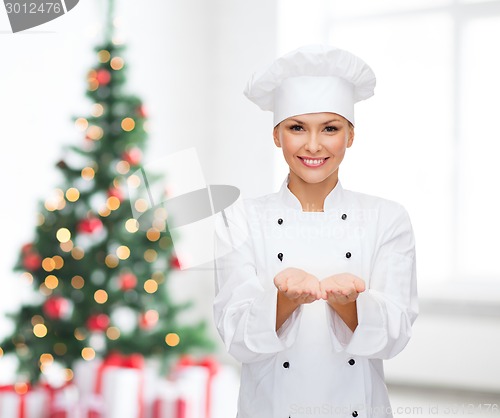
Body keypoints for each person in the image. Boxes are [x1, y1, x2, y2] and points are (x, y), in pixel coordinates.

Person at [212, 45, 418, 418]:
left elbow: (396, 334)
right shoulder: (240, 219)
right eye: (296, 128)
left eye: (330, 128)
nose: (313, 145)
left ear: (350, 135)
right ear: (276, 135)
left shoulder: (387, 218)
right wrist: (285, 301)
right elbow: (235, 336)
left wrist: (348, 306)